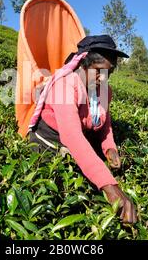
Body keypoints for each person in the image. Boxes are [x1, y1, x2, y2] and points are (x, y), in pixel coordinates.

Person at [28, 35, 138, 224]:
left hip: (77, 146)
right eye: (98, 71)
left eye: (108, 72)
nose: (103, 78)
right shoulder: (64, 86)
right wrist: (110, 186)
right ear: (82, 65)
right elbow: (73, 137)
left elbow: (105, 123)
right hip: (47, 146)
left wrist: (110, 148)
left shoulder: (104, 91)